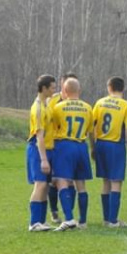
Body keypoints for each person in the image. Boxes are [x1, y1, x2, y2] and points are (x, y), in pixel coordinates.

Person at [51, 78, 94, 230]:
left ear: (65, 91)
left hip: (64, 145)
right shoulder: (88, 108)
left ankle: (69, 218)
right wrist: (92, 148)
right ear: (79, 90)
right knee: (81, 185)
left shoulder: (58, 107)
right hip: (81, 146)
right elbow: (90, 131)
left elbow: (53, 127)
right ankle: (83, 221)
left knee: (61, 181)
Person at [92, 76, 127, 228]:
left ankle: (106, 219)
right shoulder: (125, 105)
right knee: (116, 182)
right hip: (116, 146)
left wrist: (93, 146)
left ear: (108, 88)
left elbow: (92, 126)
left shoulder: (99, 103)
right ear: (123, 89)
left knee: (105, 181)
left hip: (101, 144)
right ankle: (113, 220)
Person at [26, 74, 56, 231]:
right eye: (52, 87)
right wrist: (43, 159)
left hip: (48, 149)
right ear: (44, 88)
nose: (54, 89)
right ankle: (34, 222)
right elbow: (39, 136)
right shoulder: (37, 108)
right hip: (38, 149)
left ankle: (41, 221)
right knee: (40, 184)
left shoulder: (46, 104)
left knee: (45, 186)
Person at [47, 73, 78, 223]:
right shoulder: (52, 100)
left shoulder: (78, 104)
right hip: (54, 145)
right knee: (54, 180)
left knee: (70, 180)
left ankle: (69, 213)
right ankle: (54, 211)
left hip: (70, 147)